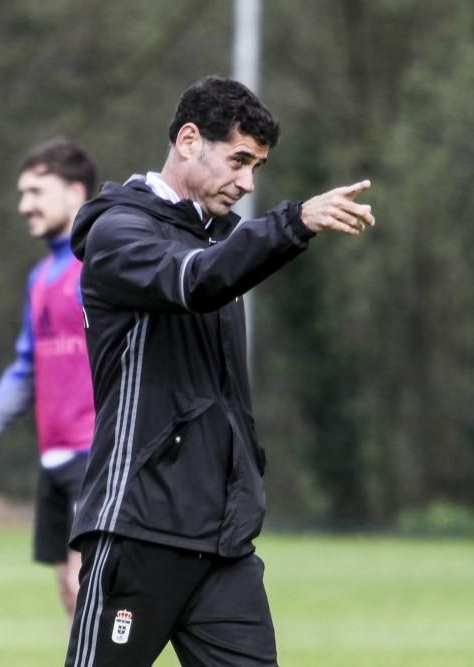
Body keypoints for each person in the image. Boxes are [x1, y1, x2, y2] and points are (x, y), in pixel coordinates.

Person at [64, 76, 375, 667]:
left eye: (257, 167)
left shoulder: (223, 244)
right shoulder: (119, 234)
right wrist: (294, 223)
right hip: (139, 528)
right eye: (238, 160)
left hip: (223, 545)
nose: (248, 183)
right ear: (187, 140)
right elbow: (195, 279)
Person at [0, 139, 98, 622]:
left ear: (76, 192)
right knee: (72, 598)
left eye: (36, 191)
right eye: (22, 193)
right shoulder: (41, 276)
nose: (24, 205)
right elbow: (27, 368)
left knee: (90, 593)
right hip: (54, 460)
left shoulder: (103, 267)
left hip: (97, 456)